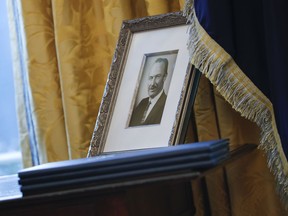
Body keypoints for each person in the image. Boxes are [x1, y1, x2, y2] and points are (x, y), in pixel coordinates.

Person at [129, 57, 168, 126]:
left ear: (164, 77)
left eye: (157, 77)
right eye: (151, 78)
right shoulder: (142, 103)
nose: (152, 83)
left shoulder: (167, 104)